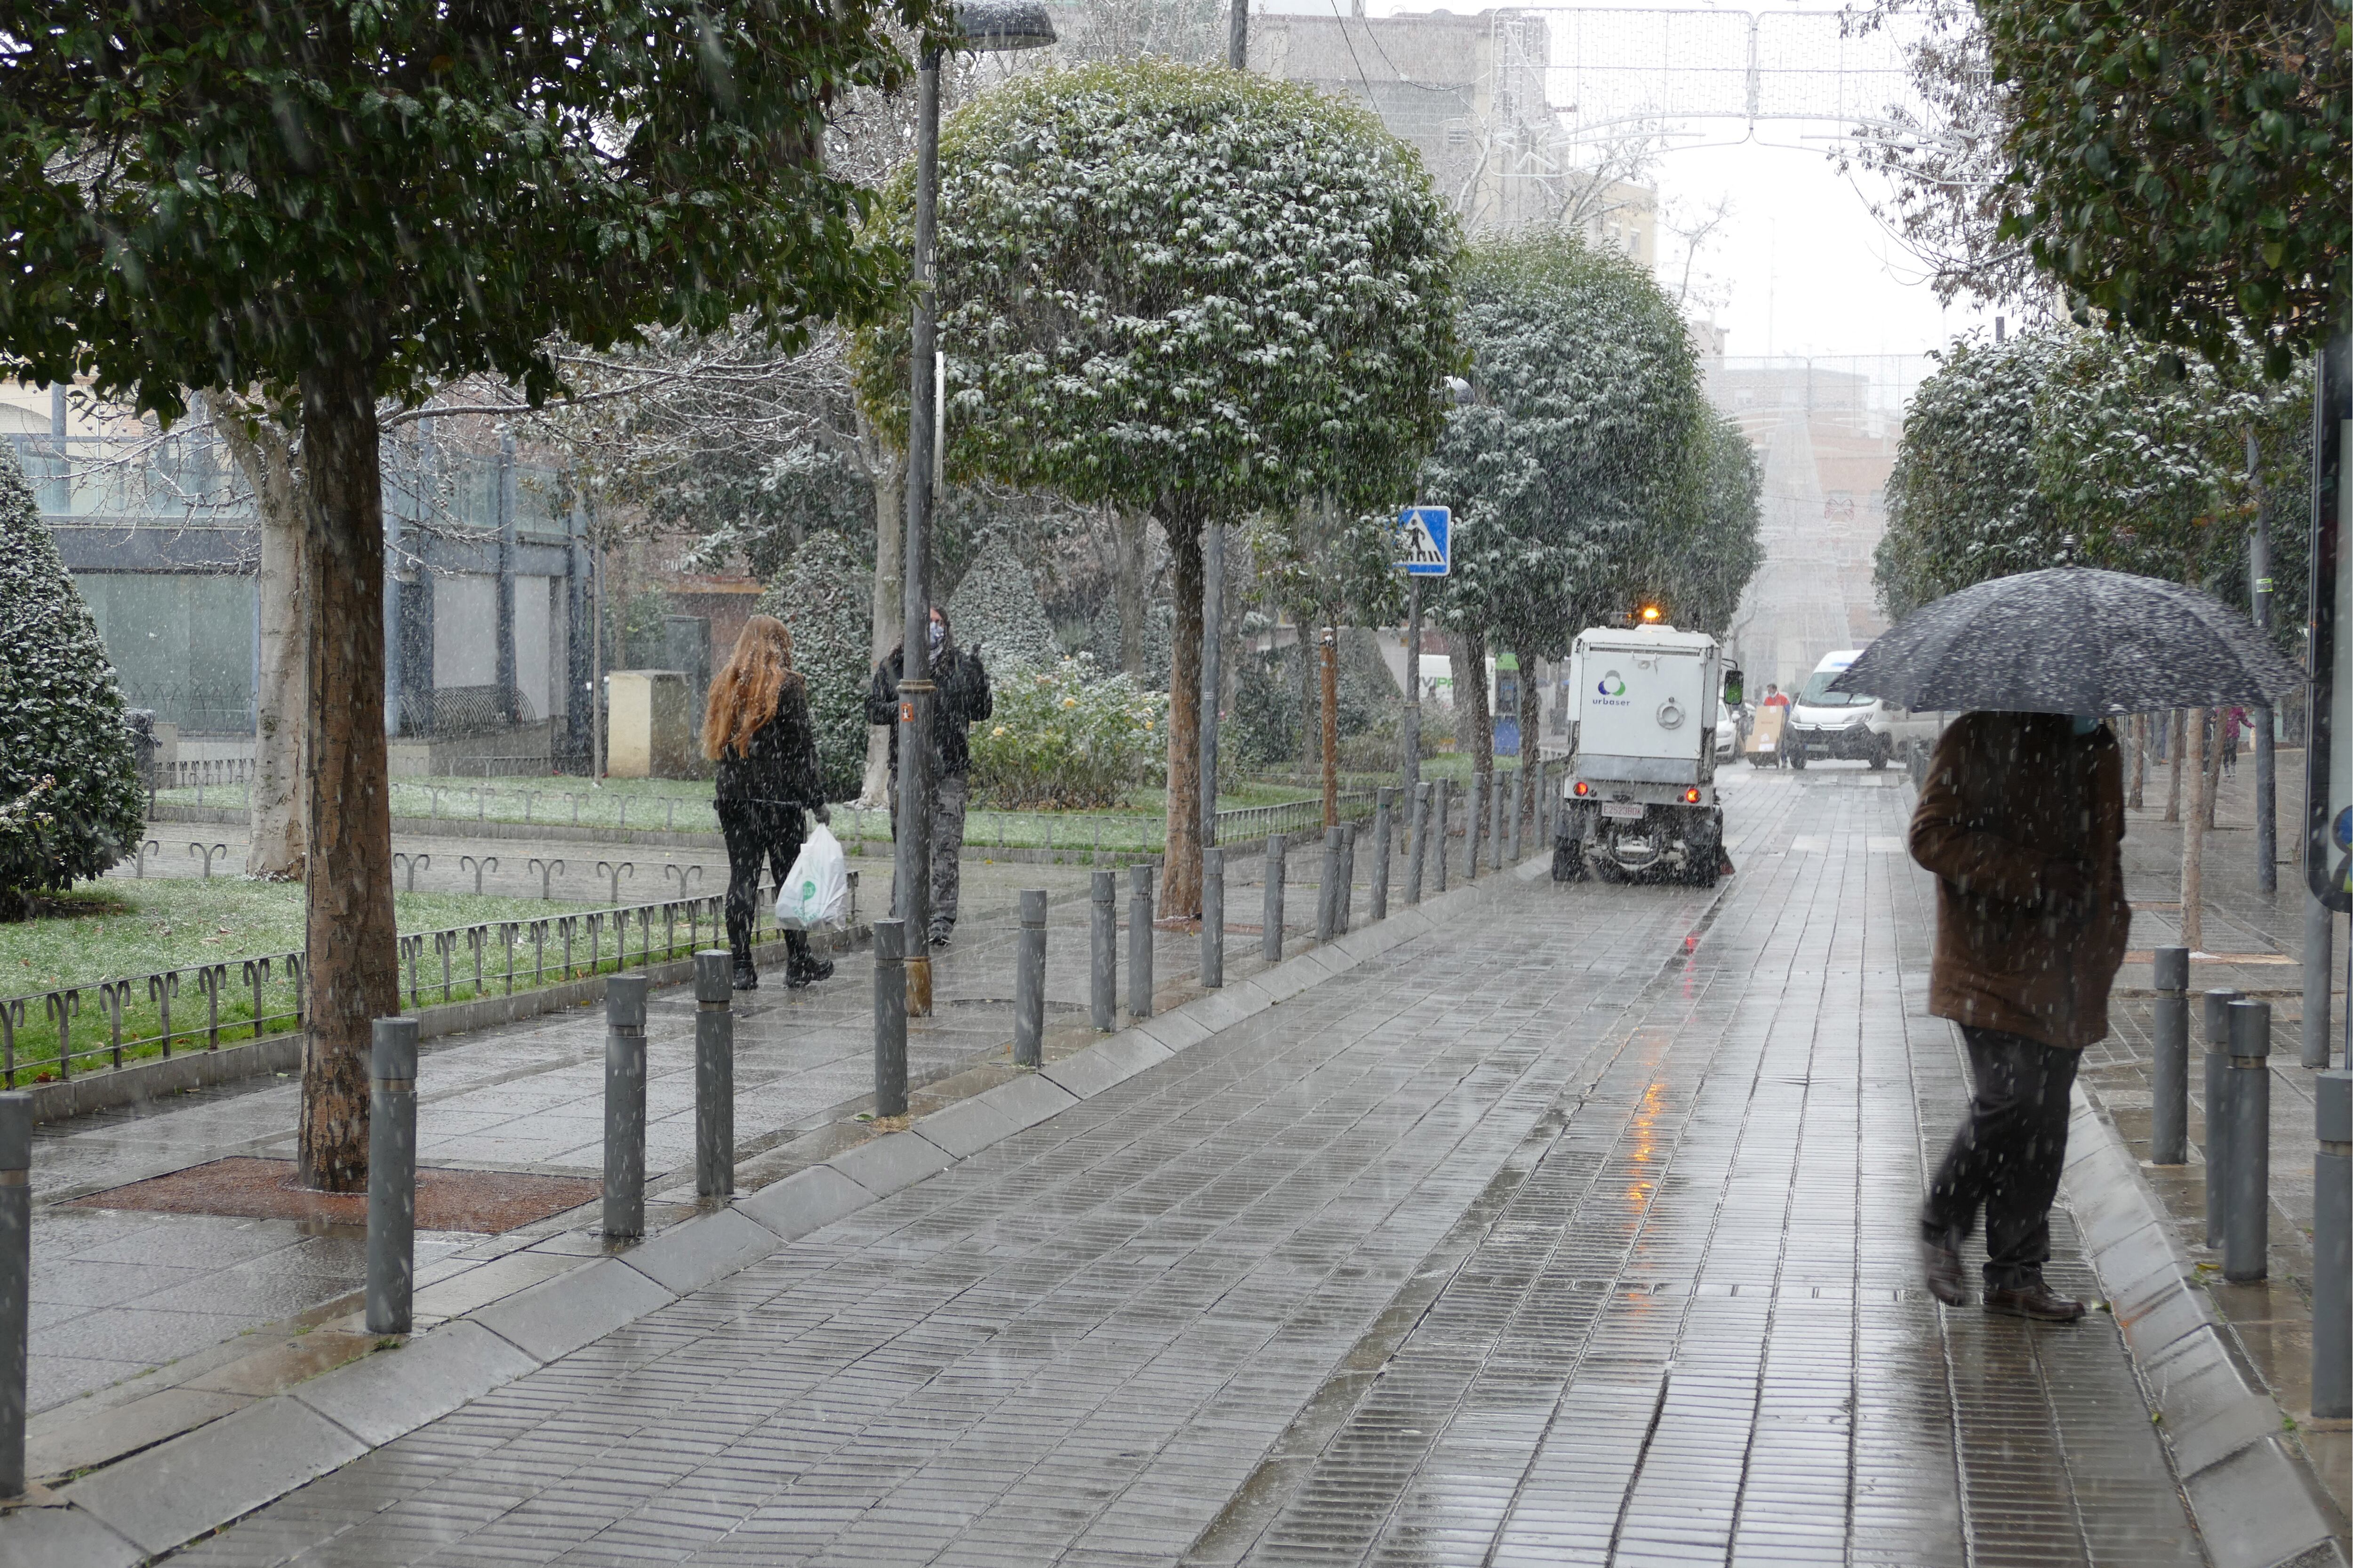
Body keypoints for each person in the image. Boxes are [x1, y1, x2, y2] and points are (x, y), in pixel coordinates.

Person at [1912, 711, 2127, 1321]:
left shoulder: (2099, 744)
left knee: (2045, 1124)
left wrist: (2109, 923)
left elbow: (2108, 845)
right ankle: (1941, 1223)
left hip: (2071, 967)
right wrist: (2034, 876)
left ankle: (2016, 1274)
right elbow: (1932, 836)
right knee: (2014, 1098)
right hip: (1992, 963)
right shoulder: (1978, 736)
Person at [703, 615, 833, 991]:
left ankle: (741, 966)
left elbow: (721, 745)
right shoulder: (787, 688)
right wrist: (816, 801)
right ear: (780, 644)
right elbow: (802, 753)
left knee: (742, 881)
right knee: (790, 881)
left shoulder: (727, 683)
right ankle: (798, 961)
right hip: (779, 801)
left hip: (735, 799)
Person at [867, 606, 992, 946]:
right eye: (926, 623)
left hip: (950, 770)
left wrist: (980, 681)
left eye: (938, 623)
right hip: (906, 770)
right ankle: (904, 911)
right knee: (907, 845)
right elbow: (874, 708)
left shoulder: (960, 666)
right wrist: (904, 707)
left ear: (946, 628)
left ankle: (941, 918)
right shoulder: (895, 666)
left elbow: (982, 711)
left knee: (946, 846)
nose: (932, 629)